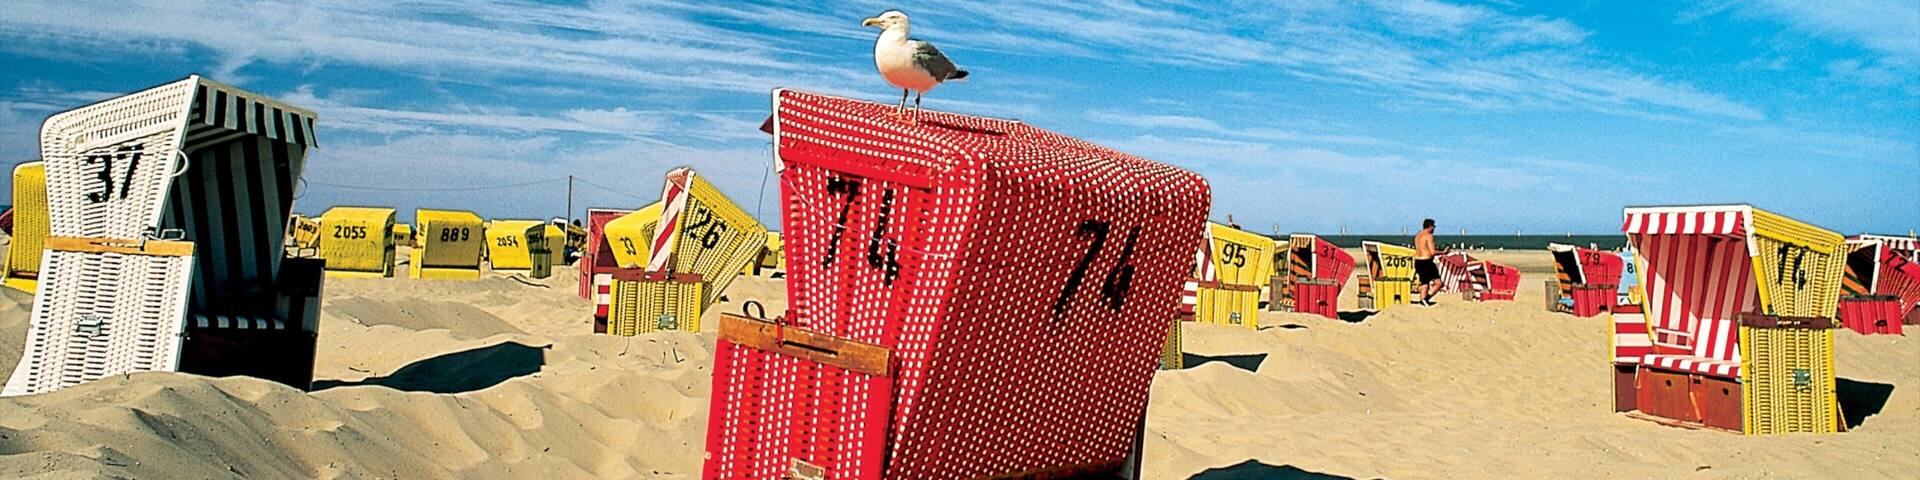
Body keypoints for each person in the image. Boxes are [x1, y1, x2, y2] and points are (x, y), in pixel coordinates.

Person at [1414, 218, 1443, 306]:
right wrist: (1443, 252)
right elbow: (1432, 252)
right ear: (1430, 226)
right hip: (1426, 261)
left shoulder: (1418, 235)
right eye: (1434, 226)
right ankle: (1426, 298)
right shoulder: (1429, 236)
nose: (1434, 228)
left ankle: (1423, 300)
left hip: (1417, 261)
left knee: (1424, 282)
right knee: (1438, 283)